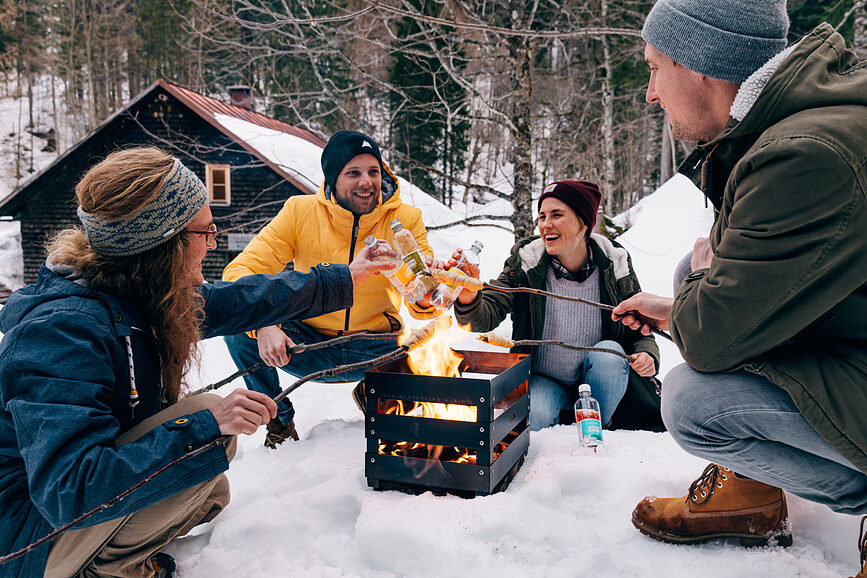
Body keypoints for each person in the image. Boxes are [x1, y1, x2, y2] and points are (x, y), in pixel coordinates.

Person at [0, 147, 389, 577]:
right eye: (205, 232)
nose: (212, 243)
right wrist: (209, 425)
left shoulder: (135, 288)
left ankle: (111, 554)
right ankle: (100, 570)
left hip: (62, 515)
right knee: (204, 432)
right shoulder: (61, 334)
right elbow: (69, 490)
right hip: (26, 540)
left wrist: (343, 279)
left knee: (209, 491)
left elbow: (240, 299)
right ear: (161, 245)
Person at [610, 0, 867, 569]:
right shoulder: (790, 121)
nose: (650, 93)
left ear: (701, 63)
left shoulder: (803, 155)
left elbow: (709, 338)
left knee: (693, 402)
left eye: (655, 68)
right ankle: (753, 490)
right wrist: (688, 295)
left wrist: (695, 298)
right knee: (688, 277)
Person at [223, 129, 441, 448]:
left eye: (373, 171)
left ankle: (376, 395)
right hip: (305, 343)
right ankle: (279, 421)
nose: (366, 181)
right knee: (240, 331)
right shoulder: (299, 212)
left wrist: (427, 291)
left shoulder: (406, 220)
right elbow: (238, 273)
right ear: (332, 177)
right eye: (353, 172)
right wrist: (264, 325)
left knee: (432, 343)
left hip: (374, 347)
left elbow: (423, 306)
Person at [453, 180, 662, 431]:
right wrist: (469, 295)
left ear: (584, 222)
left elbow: (639, 327)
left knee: (611, 353)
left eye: (556, 215)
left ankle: (599, 427)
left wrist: (648, 355)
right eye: (541, 216)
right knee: (537, 416)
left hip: (598, 379)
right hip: (544, 379)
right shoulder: (527, 263)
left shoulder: (614, 265)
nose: (545, 225)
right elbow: (488, 312)